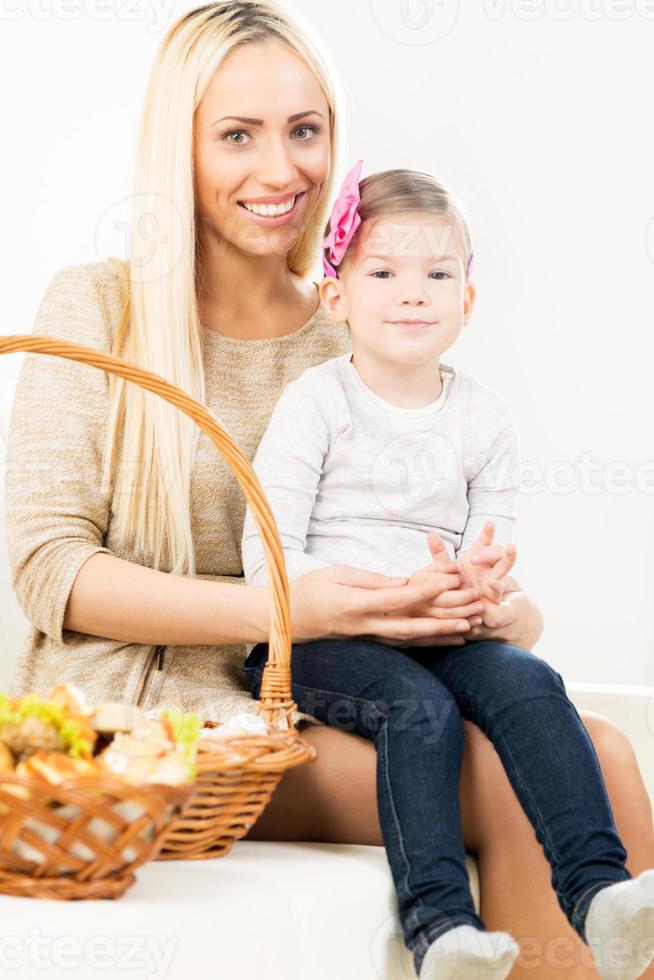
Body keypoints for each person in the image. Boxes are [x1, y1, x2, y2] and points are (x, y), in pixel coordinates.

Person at [3, 4, 652, 977]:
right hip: (158, 727)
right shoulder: (101, 306)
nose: (281, 170)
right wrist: (281, 606)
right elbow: (48, 568)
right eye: (236, 135)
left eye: (305, 130)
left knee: (589, 740)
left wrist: (486, 604)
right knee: (571, 765)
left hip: (324, 700)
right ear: (176, 149)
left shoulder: (356, 325)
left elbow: (444, 558)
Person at [240, 161, 654, 980]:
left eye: (438, 275)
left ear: (467, 301)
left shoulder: (484, 417)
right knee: (418, 709)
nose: (412, 293)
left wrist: (485, 593)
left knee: (533, 682)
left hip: (440, 628)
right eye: (384, 272)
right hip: (324, 636)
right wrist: (389, 599)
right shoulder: (315, 404)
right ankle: (440, 928)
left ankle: (601, 892)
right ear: (337, 297)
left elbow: (489, 553)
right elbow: (269, 561)